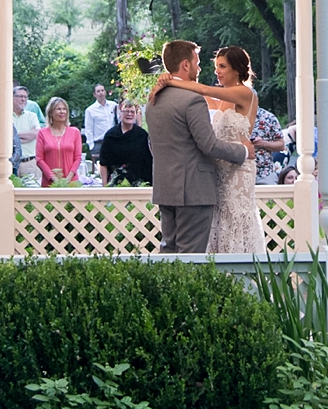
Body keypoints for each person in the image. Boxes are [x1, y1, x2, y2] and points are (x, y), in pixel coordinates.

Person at [154, 45, 263, 255]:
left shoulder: (245, 93)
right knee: (218, 225)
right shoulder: (220, 98)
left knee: (235, 220)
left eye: (222, 66)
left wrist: (173, 80)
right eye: (216, 66)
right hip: (218, 171)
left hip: (239, 169)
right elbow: (185, 98)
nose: (217, 71)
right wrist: (164, 82)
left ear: (237, 69)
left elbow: (201, 89)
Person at [99, 100, 153, 186]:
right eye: (126, 111)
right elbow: (103, 163)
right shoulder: (110, 136)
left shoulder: (142, 135)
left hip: (138, 185)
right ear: (120, 113)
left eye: (132, 111)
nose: (129, 114)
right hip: (116, 184)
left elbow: (148, 162)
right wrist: (104, 187)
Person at [35, 98, 84, 183]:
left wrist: (68, 179)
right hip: (50, 182)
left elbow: (78, 158)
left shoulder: (75, 132)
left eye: (64, 109)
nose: (62, 112)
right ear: (51, 112)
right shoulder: (42, 133)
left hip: (71, 181)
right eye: (58, 109)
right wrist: (53, 178)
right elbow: (39, 159)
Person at [13, 86, 43, 183]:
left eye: (26, 97)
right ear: (12, 97)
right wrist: (27, 136)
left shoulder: (31, 116)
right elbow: (3, 137)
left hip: (30, 163)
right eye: (20, 96)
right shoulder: (4, 116)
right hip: (11, 164)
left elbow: (37, 133)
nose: (23, 99)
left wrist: (14, 136)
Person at [252, 107, 287, 184]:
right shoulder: (232, 116)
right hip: (237, 173)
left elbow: (281, 145)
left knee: (272, 195)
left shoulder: (268, 117)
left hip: (264, 174)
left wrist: (263, 143)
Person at [83, 84, 119, 157]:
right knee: (99, 167)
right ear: (94, 94)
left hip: (114, 142)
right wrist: (91, 146)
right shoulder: (90, 110)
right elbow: (88, 129)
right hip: (99, 144)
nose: (101, 93)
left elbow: (119, 121)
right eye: (98, 91)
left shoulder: (113, 105)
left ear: (105, 92)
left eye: (102, 90)